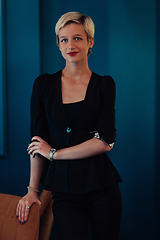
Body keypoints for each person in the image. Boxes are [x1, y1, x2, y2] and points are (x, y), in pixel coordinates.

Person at [16, 12, 122, 240]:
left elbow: (104, 141)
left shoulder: (104, 85)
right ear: (58, 44)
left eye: (77, 38)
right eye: (64, 39)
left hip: (102, 187)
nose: (70, 45)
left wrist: (54, 154)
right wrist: (32, 191)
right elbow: (38, 142)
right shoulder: (43, 85)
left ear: (90, 41)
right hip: (63, 191)